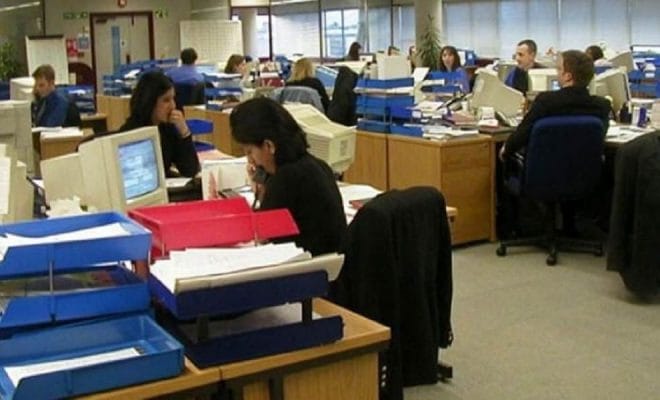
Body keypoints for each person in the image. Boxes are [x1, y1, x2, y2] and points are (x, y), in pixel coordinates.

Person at [499, 50, 611, 235]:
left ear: (568, 76)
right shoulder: (601, 105)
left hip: (542, 174)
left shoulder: (546, 101)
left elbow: (523, 133)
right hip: (582, 174)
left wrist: (506, 149)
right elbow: (599, 137)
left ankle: (513, 229)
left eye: (559, 69)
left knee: (503, 163)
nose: (557, 73)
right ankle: (570, 226)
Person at [229, 97, 347, 256]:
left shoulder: (285, 179)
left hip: (306, 267)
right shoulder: (319, 165)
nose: (250, 160)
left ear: (269, 146)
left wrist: (261, 187)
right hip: (329, 266)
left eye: (250, 151)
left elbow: (263, 237)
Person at [119, 70, 200, 178]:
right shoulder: (130, 132)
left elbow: (190, 170)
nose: (173, 106)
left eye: (173, 99)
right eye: (166, 100)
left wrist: (184, 131)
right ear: (150, 101)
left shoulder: (167, 128)